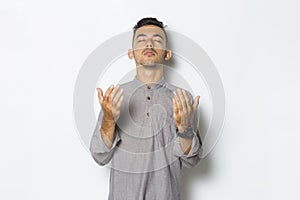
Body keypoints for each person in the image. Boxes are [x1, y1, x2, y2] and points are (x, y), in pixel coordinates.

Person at [90, 17, 203, 200]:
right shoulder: (116, 96)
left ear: (167, 54)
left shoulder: (182, 99)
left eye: (157, 40)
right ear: (131, 53)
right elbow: (99, 155)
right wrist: (108, 122)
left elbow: (192, 160)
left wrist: (185, 129)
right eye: (141, 40)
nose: (149, 44)